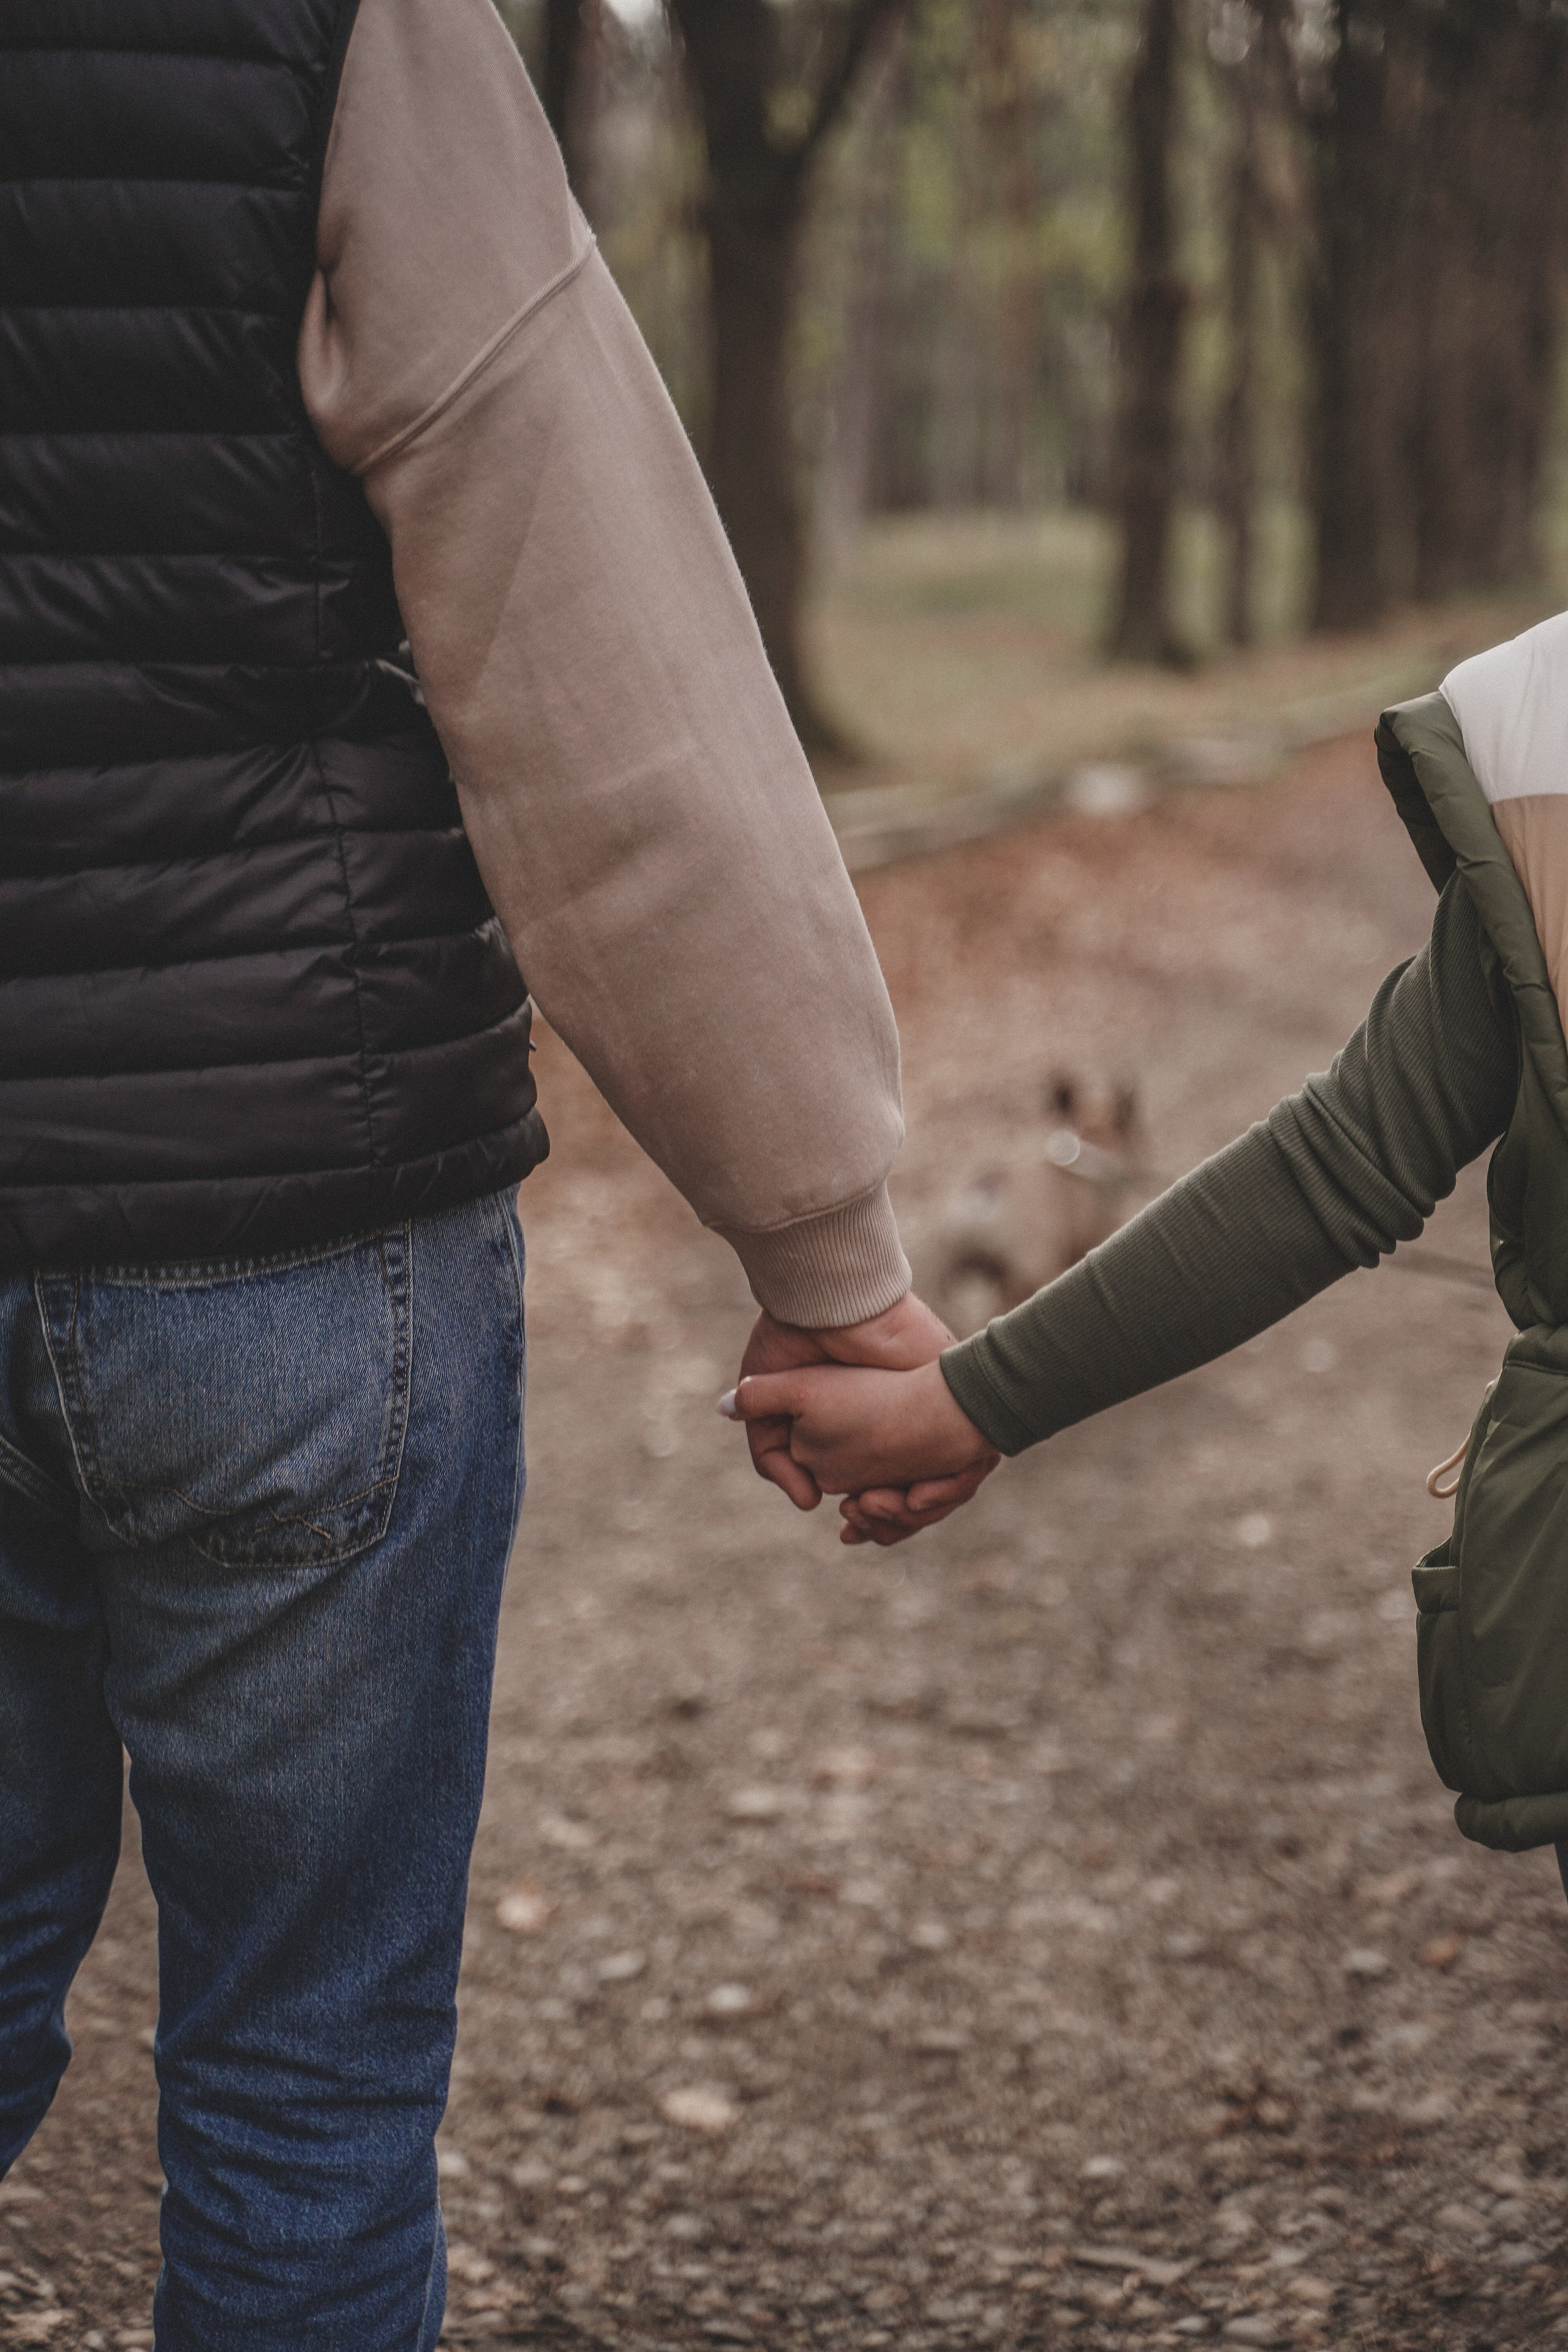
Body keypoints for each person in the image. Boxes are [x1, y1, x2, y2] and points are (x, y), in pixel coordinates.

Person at [0, 3, 983, 2342]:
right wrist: (823, 1248)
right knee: (304, 2083)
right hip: (285, 1225)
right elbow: (584, 651)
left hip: (254, 1205)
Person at [730, 613, 1568, 1894]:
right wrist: (966, 1396)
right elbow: (1341, 1159)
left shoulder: (1544, 743)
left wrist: (960, 1398)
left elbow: (1340, 1161)